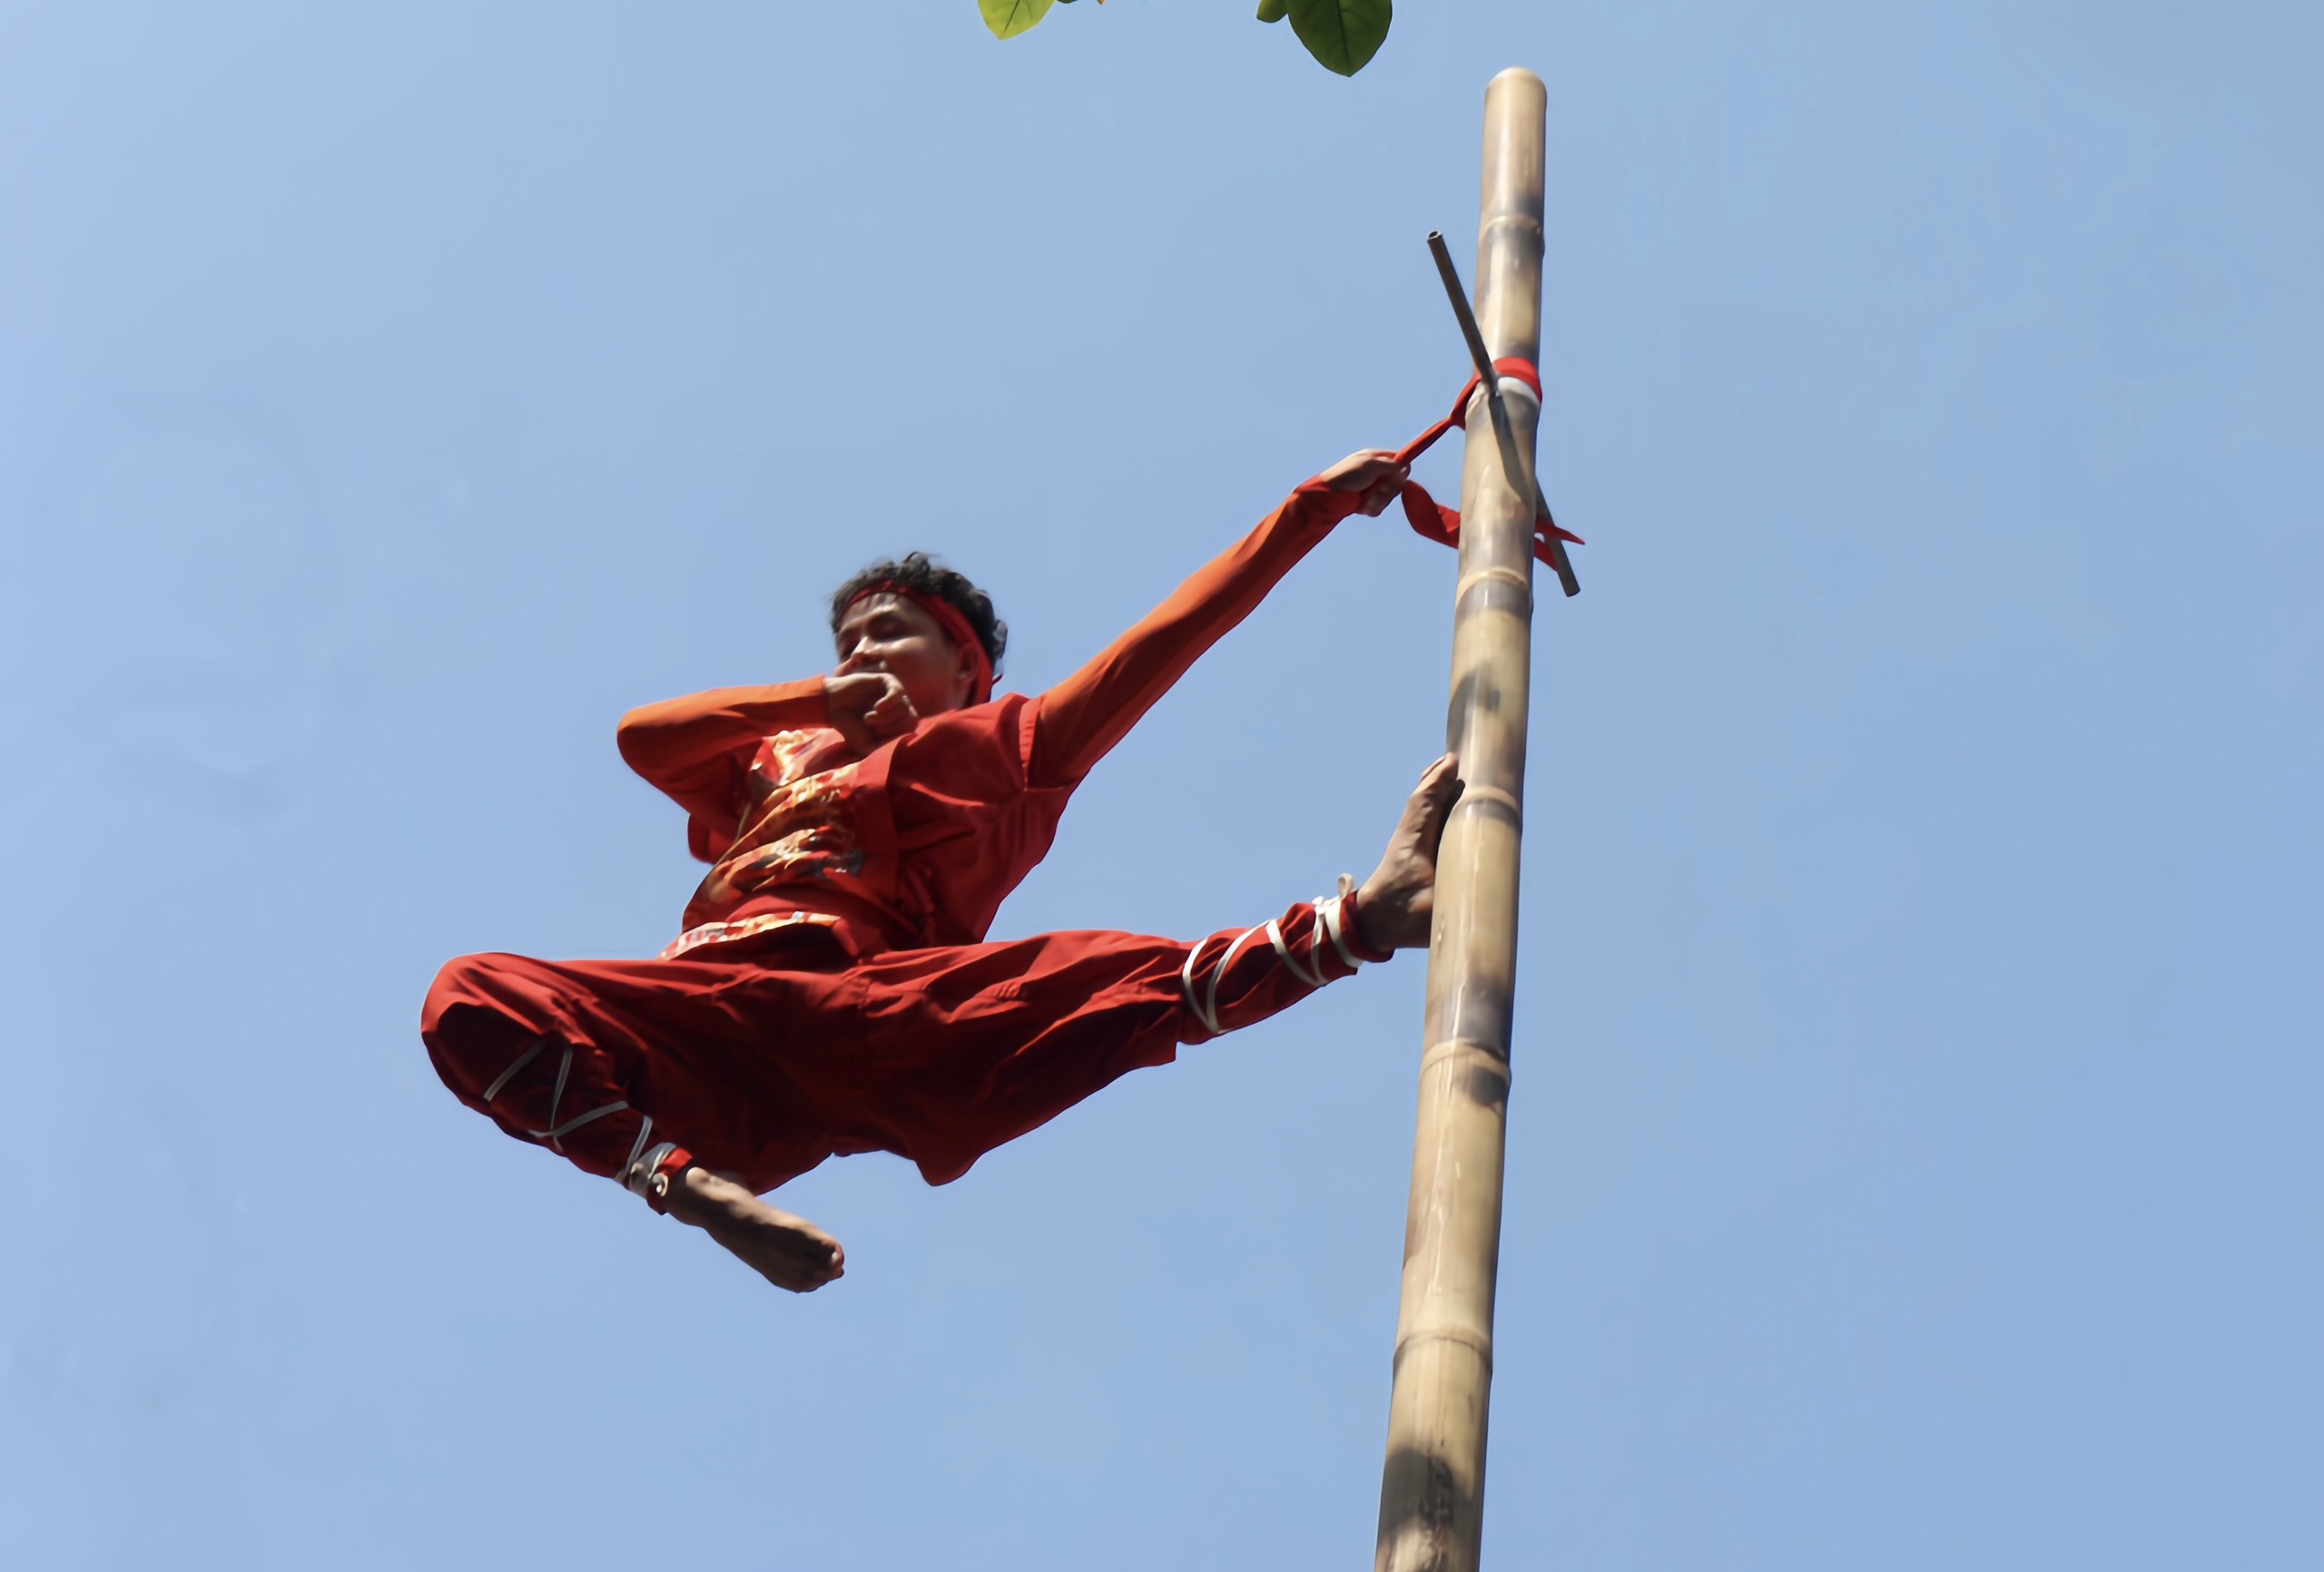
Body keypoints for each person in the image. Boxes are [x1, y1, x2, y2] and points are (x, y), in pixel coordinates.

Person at [420, 450, 1462, 1292]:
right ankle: (679, 1184)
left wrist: (1308, 512)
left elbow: (1162, 643)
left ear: (966, 668)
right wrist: (814, 706)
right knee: (468, 991)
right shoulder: (774, 766)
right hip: (707, 1026)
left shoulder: (997, 755)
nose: (859, 653)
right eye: (845, 640)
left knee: (1095, 981)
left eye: (890, 633)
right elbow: (641, 739)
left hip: (866, 1013)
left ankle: (1363, 920)